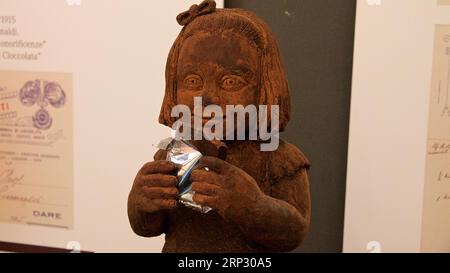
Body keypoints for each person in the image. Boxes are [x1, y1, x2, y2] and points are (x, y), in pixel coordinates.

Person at [127, 0, 311, 253]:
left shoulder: (278, 158)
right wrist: (142, 203)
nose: (207, 98)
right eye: (192, 80)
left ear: (265, 88)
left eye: (231, 81)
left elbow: (294, 232)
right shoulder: (176, 152)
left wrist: (252, 206)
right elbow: (148, 228)